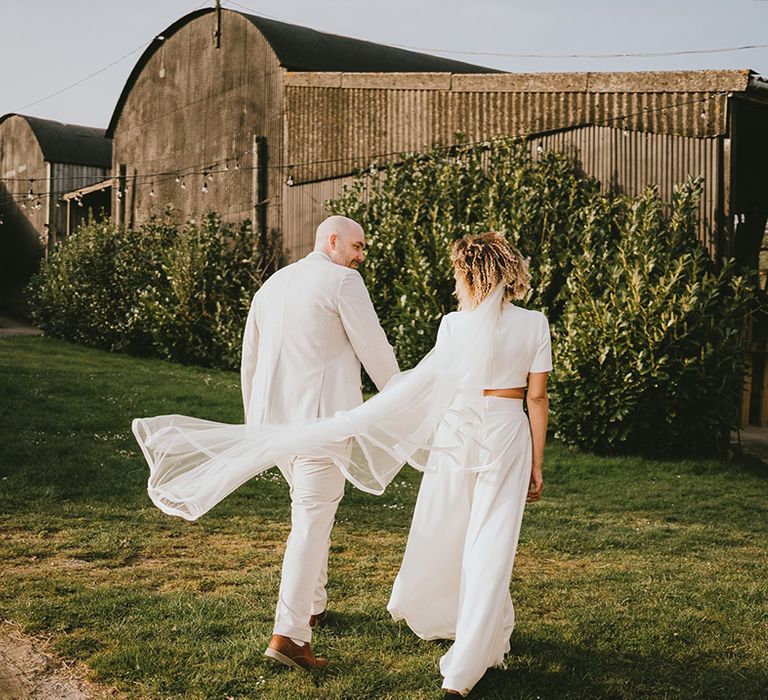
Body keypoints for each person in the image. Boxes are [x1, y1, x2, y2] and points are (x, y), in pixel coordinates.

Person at [387, 232, 551, 697]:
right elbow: (536, 397)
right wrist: (537, 462)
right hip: (505, 431)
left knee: (454, 532)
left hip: (458, 432)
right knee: (491, 542)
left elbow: (443, 386)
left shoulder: (452, 325)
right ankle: (468, 661)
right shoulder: (535, 323)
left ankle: (482, 636)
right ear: (508, 271)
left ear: (467, 273)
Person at [240, 215, 399, 670]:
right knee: (310, 523)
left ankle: (314, 603)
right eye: (357, 246)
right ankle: (289, 635)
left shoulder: (271, 285)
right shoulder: (342, 282)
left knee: (311, 513)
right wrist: (406, 401)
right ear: (332, 241)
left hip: (277, 428)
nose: (360, 256)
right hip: (322, 427)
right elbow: (377, 352)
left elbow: (249, 364)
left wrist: (258, 427)